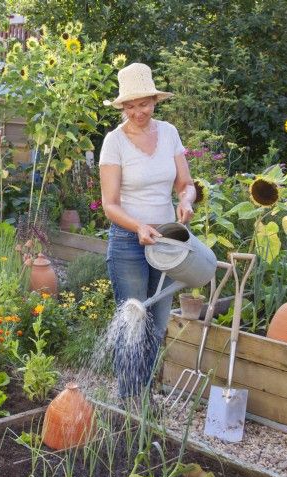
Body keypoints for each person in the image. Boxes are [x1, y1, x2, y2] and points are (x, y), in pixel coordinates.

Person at [99, 62, 196, 400]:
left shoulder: (168, 132)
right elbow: (110, 204)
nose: (137, 112)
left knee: (156, 324)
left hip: (167, 240)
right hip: (129, 242)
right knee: (133, 324)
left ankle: (145, 396)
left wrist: (187, 200)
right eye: (130, 105)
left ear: (155, 100)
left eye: (143, 103)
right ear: (122, 106)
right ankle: (129, 400)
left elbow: (185, 183)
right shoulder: (114, 142)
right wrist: (138, 226)